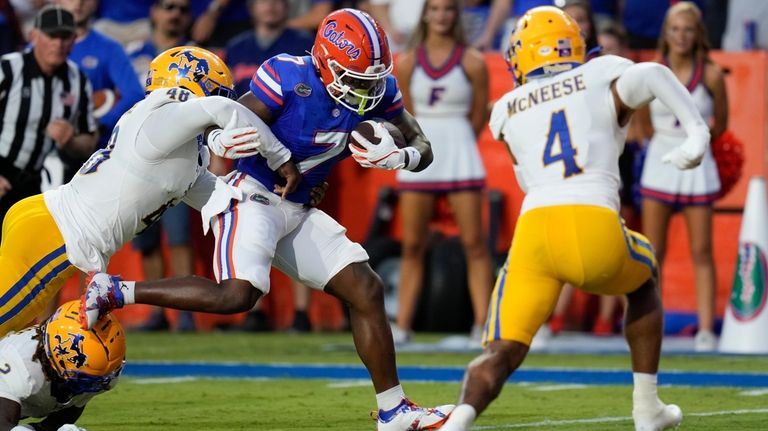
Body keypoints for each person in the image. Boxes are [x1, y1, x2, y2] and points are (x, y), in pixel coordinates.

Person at [83, 8, 455, 430]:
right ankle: (115, 289)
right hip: (251, 195)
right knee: (237, 295)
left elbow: (422, 145)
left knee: (366, 289)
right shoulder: (286, 75)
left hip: (297, 208)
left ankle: (394, 412)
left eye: (372, 80)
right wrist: (223, 141)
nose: (366, 91)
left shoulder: (377, 87)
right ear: (324, 61)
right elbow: (232, 116)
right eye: (355, 79)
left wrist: (401, 156)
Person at [438, 6, 711, 430]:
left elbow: (528, 176)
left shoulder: (506, 108)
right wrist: (697, 132)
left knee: (502, 351)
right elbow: (655, 73)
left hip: (533, 236)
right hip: (591, 223)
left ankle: (458, 420)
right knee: (645, 277)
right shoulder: (600, 73)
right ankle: (647, 410)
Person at [0, 45, 296, 337]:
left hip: (55, 228)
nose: (223, 100)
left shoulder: (179, 146)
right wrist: (278, 157)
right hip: (57, 233)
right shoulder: (162, 113)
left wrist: (279, 203)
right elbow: (221, 108)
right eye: (215, 90)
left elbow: (225, 200)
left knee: (15, 333)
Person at [392, 0, 492, 346]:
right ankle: (402, 325)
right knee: (413, 245)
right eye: (434, 9)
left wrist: (459, 141)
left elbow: (479, 114)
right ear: (426, 15)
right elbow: (403, 116)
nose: (441, 15)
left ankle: (483, 326)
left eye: (448, 9)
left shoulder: (473, 62)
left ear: (455, 15)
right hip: (421, 151)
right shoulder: (407, 64)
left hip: (461, 152)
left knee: (475, 244)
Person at [638, 1, 727, 352]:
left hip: (698, 165)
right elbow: (641, 120)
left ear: (698, 34)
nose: (681, 36)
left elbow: (722, 122)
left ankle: (706, 329)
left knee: (701, 249)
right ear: (665, 34)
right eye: (675, 29)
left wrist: (696, 147)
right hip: (661, 159)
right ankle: (647, 325)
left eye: (688, 29)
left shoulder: (711, 74)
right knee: (651, 250)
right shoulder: (651, 71)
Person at [126, 0, 200, 332]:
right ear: (154, 12)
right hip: (140, 158)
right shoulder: (135, 54)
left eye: (182, 9)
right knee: (147, 237)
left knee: (179, 236)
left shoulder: (198, 57)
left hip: (180, 157)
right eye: (168, 6)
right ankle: (157, 311)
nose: (174, 14)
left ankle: (185, 313)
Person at [0, 5, 98, 243]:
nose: (58, 43)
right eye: (51, 35)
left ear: (74, 40)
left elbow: (89, 140)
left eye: (65, 36)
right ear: (34, 36)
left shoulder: (78, 80)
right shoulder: (7, 69)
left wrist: (71, 140)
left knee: (22, 259)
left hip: (30, 183)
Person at [0, 300, 125, 431]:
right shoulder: (18, 366)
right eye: (84, 379)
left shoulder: (102, 371)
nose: (91, 388)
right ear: (57, 359)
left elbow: (61, 418)